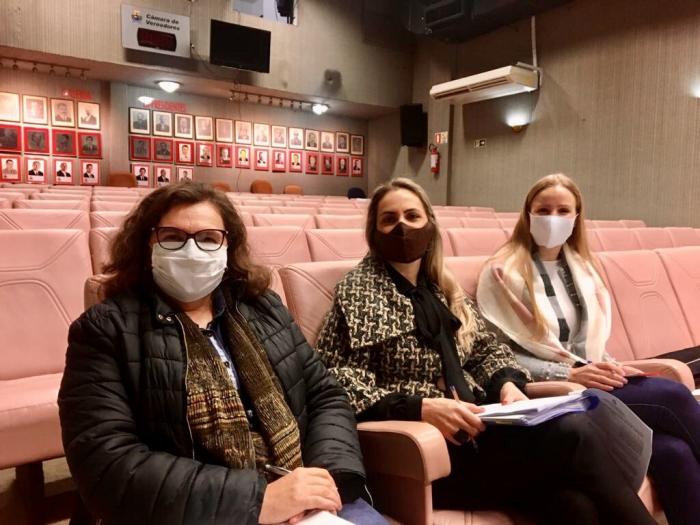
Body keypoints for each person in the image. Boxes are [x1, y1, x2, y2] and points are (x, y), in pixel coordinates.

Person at [315, 177, 657, 525]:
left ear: (430, 225)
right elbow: (337, 382)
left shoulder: (441, 288)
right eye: (389, 219)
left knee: (575, 507)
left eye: (412, 216)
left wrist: (506, 384)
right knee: (575, 432)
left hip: (482, 433)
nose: (402, 227)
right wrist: (420, 407)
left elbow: (486, 350)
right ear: (374, 232)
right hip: (426, 456)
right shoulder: (357, 293)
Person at [58, 182, 385, 525]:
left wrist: (325, 476)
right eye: (172, 237)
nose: (191, 250)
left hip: (306, 495)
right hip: (193, 514)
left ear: (228, 247)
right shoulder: (104, 329)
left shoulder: (263, 308)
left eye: (209, 238)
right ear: (147, 245)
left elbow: (324, 394)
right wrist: (258, 500)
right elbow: (105, 461)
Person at [477, 173, 700, 525]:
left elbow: (586, 343)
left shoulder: (582, 269)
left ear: (576, 217)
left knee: (674, 452)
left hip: (593, 378)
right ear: (527, 214)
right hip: (555, 391)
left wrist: (611, 365)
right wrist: (568, 373)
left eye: (563, 210)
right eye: (543, 210)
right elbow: (496, 357)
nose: (553, 218)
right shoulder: (502, 272)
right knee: (672, 396)